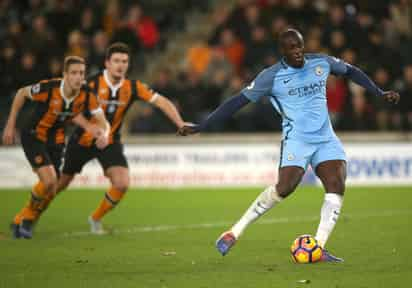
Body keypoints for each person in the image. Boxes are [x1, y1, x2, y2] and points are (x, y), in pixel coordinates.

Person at [178, 29, 400, 262]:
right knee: (285, 187)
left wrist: (379, 92)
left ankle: (318, 248)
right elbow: (236, 102)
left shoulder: (321, 62)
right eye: (291, 48)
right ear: (282, 51)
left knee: (336, 184)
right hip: (297, 140)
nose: (297, 52)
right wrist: (201, 126)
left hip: (326, 138)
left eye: (299, 46)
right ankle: (234, 231)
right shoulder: (271, 76)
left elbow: (352, 72)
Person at [31, 42, 190, 234]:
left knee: (122, 182)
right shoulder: (90, 84)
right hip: (82, 141)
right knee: (58, 185)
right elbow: (73, 112)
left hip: (110, 141)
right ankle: (31, 217)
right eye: (116, 61)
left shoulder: (133, 87)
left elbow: (162, 102)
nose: (120, 65)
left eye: (124, 61)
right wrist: (90, 128)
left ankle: (95, 219)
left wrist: (180, 123)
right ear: (107, 63)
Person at [3, 56, 110, 239]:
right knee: (50, 181)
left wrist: (104, 135)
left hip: (57, 140)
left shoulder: (86, 94)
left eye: (82, 73)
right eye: (74, 73)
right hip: (34, 136)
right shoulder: (49, 88)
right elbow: (21, 93)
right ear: (65, 75)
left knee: (51, 189)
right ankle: (27, 221)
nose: (78, 77)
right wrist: (10, 124)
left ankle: (20, 220)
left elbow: (102, 121)